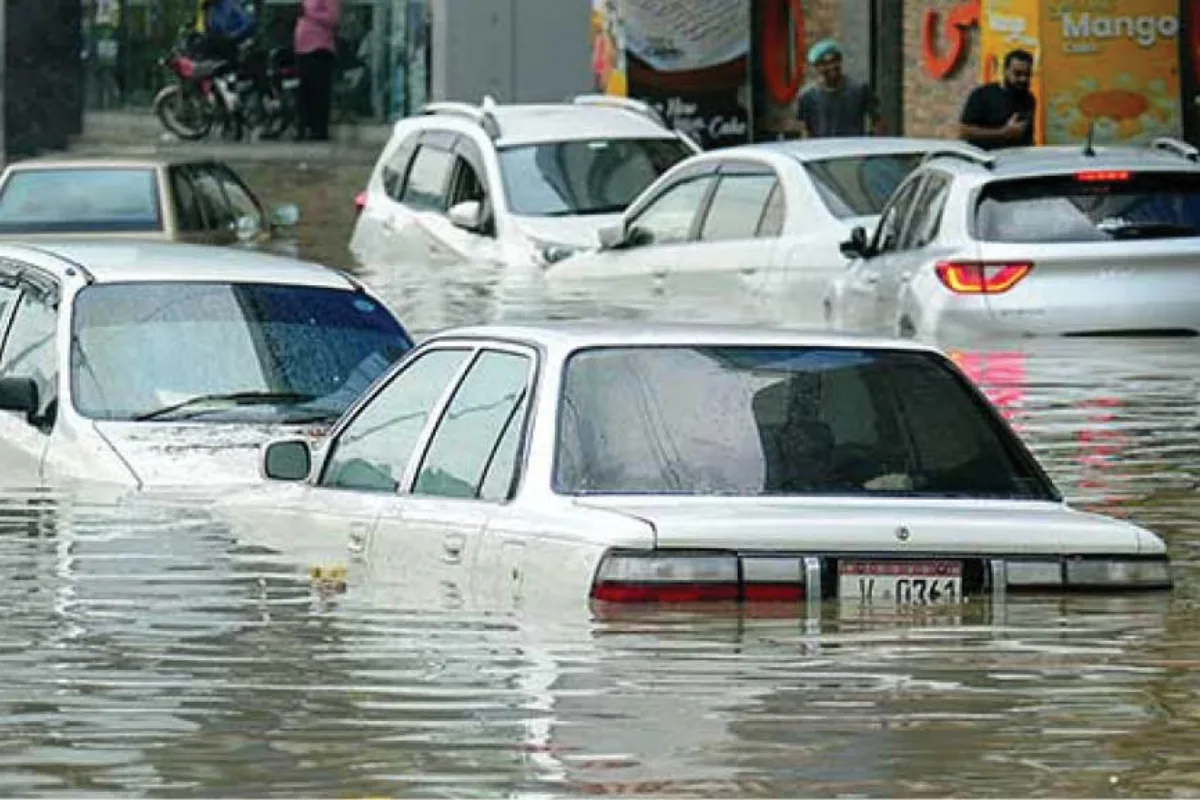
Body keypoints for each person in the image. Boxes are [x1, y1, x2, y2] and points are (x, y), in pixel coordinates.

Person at [775, 39, 883, 138]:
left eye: (834, 61)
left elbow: (877, 120)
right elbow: (800, 127)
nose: (831, 67)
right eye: (824, 64)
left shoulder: (859, 89)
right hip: (822, 153)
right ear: (816, 67)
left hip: (853, 152)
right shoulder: (807, 96)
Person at [958, 49, 1036, 150]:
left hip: (1017, 161)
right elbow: (964, 132)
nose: (1023, 79)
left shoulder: (1029, 99)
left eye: (1027, 74)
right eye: (1018, 74)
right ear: (1005, 71)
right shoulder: (982, 95)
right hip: (986, 160)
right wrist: (1004, 132)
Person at [294, 0, 342, 142]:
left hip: (320, 48)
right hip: (303, 49)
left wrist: (309, 14)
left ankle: (319, 130)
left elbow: (333, 19)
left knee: (319, 92)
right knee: (304, 92)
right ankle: (303, 127)